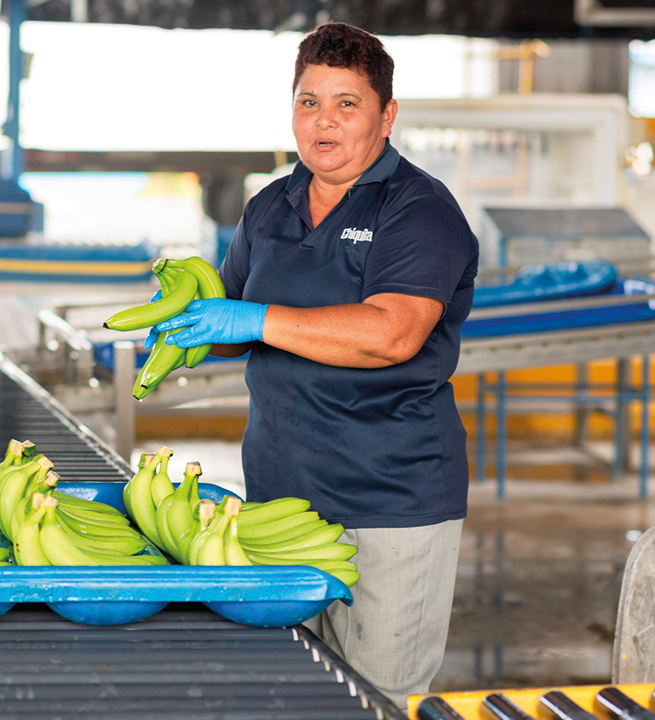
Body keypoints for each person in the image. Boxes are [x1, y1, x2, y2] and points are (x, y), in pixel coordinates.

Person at [153, 22, 479, 707]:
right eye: (308, 102)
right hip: (281, 498)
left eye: (346, 103)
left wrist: (253, 318)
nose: (323, 121)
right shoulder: (270, 207)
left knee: (379, 698)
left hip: (389, 504)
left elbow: (393, 334)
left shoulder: (418, 210)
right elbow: (233, 332)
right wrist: (192, 322)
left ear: (386, 115)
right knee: (293, 694)